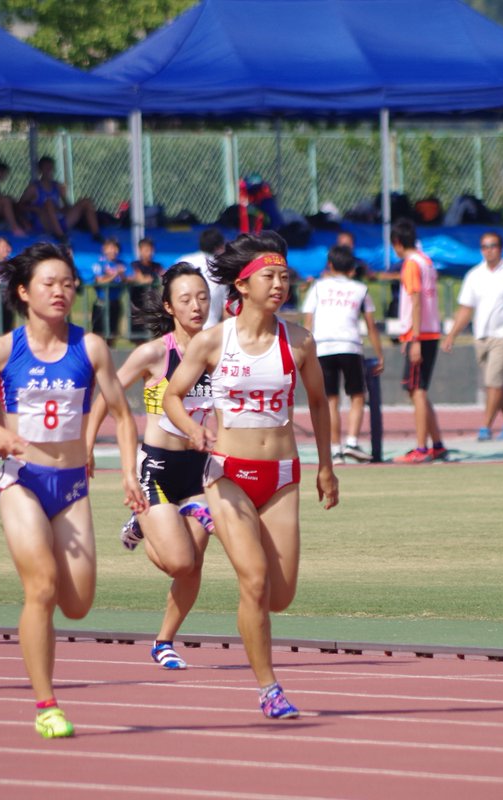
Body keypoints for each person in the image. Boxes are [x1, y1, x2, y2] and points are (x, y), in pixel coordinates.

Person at [0, 242, 145, 739]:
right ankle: (46, 705)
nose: (60, 291)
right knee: (40, 587)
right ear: (24, 291)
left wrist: (129, 472)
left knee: (77, 604)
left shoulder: (91, 347)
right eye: (49, 283)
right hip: (23, 480)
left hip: (73, 485)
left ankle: (43, 639)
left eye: (67, 283)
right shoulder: (2, 350)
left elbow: (123, 415)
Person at [160, 231, 338, 720]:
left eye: (284, 277)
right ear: (242, 285)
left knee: (280, 596)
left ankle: (204, 517)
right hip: (228, 473)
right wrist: (193, 431)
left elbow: (319, 403)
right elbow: (172, 397)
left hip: (281, 475)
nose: (279, 284)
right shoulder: (214, 341)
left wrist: (326, 466)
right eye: (269, 277)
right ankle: (269, 688)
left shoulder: (299, 341)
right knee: (254, 582)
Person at [85, 263, 216, 670]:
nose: (196, 306)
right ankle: (142, 524)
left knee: (193, 565)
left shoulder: (219, 349)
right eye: (186, 299)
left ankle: (164, 642)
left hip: (199, 470)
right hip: (157, 466)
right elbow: (106, 396)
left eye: (202, 297)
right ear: (169, 307)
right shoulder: (155, 353)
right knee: (179, 562)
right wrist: (87, 445)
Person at [442, 231, 503, 440]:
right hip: (482, 336)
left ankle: (485, 426)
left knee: (493, 382)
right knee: (495, 382)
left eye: (493, 246)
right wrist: (451, 335)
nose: (489, 250)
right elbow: (466, 309)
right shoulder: (474, 275)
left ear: (501, 248)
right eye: (485, 246)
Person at [301, 244, 385, 463]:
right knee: (357, 395)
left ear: (329, 265)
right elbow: (371, 325)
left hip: (323, 346)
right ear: (352, 268)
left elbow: (308, 321)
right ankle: (352, 442)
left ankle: (335, 449)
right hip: (350, 346)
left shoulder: (318, 287)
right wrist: (380, 354)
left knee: (331, 399)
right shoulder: (360, 289)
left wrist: (306, 352)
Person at [390, 219, 446, 462]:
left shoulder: (412, 264)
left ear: (397, 243)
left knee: (417, 391)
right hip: (429, 331)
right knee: (418, 390)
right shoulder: (427, 261)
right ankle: (437, 444)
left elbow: (415, 301)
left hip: (421, 334)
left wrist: (414, 338)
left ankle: (421, 448)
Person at [18, 155, 101, 242]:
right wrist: (35, 209)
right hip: (43, 222)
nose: (49, 170)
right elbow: (19, 206)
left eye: (50, 167)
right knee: (49, 203)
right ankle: (60, 236)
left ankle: (96, 234)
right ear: (40, 170)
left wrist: (64, 209)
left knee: (86, 201)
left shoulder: (57, 186)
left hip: (59, 219)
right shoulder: (33, 188)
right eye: (46, 167)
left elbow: (67, 205)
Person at [181, 228, 228, 329]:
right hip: (212, 330)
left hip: (184, 330)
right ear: (219, 247)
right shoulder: (223, 269)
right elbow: (227, 311)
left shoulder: (183, 261)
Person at [90, 237, 126, 345]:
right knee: (99, 334)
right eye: (110, 248)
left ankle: (111, 352)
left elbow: (130, 278)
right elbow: (100, 281)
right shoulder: (99, 264)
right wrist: (115, 274)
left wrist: (123, 276)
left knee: (113, 333)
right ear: (104, 249)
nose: (113, 251)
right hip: (102, 303)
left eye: (115, 248)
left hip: (115, 303)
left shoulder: (121, 264)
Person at [127, 237, 164, 340]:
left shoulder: (157, 266)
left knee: (155, 333)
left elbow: (164, 274)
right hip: (137, 305)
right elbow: (139, 278)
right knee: (138, 335)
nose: (149, 253)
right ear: (140, 251)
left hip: (153, 306)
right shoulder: (135, 265)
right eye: (146, 250)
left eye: (151, 250)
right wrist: (145, 280)